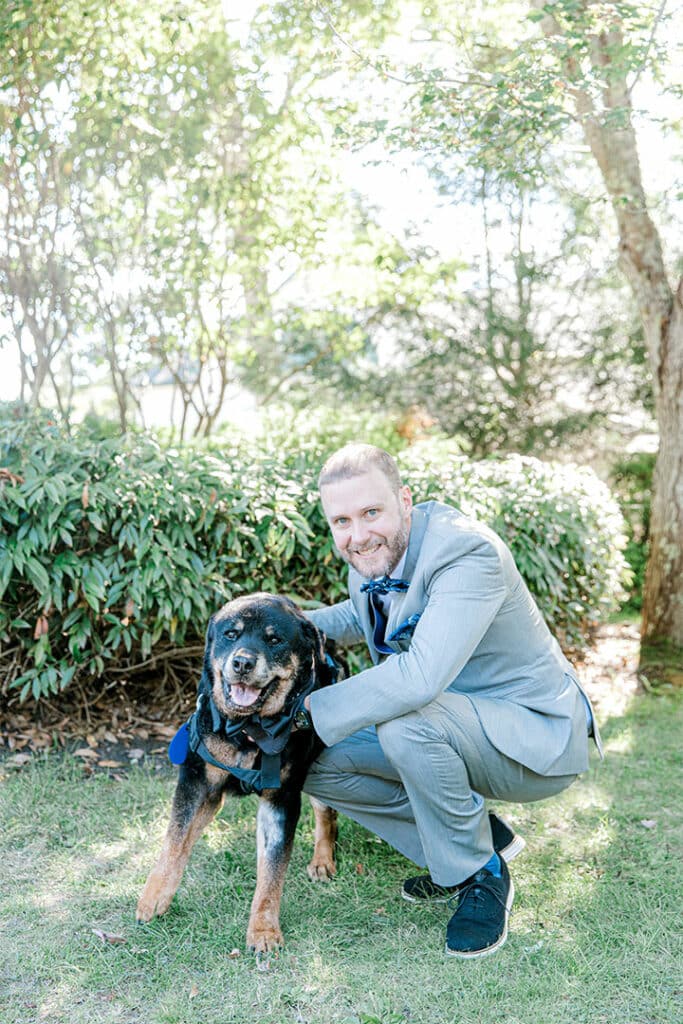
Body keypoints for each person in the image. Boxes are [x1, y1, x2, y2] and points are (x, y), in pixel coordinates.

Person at [297, 442, 602, 959]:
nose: (357, 534)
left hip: (535, 739)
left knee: (404, 722)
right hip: (455, 727)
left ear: (405, 500)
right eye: (341, 520)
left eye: (372, 512)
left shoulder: (466, 553)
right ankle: (473, 838)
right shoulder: (370, 555)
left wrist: (304, 714)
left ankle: (481, 871)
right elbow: (359, 617)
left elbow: (419, 678)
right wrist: (273, 626)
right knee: (303, 761)